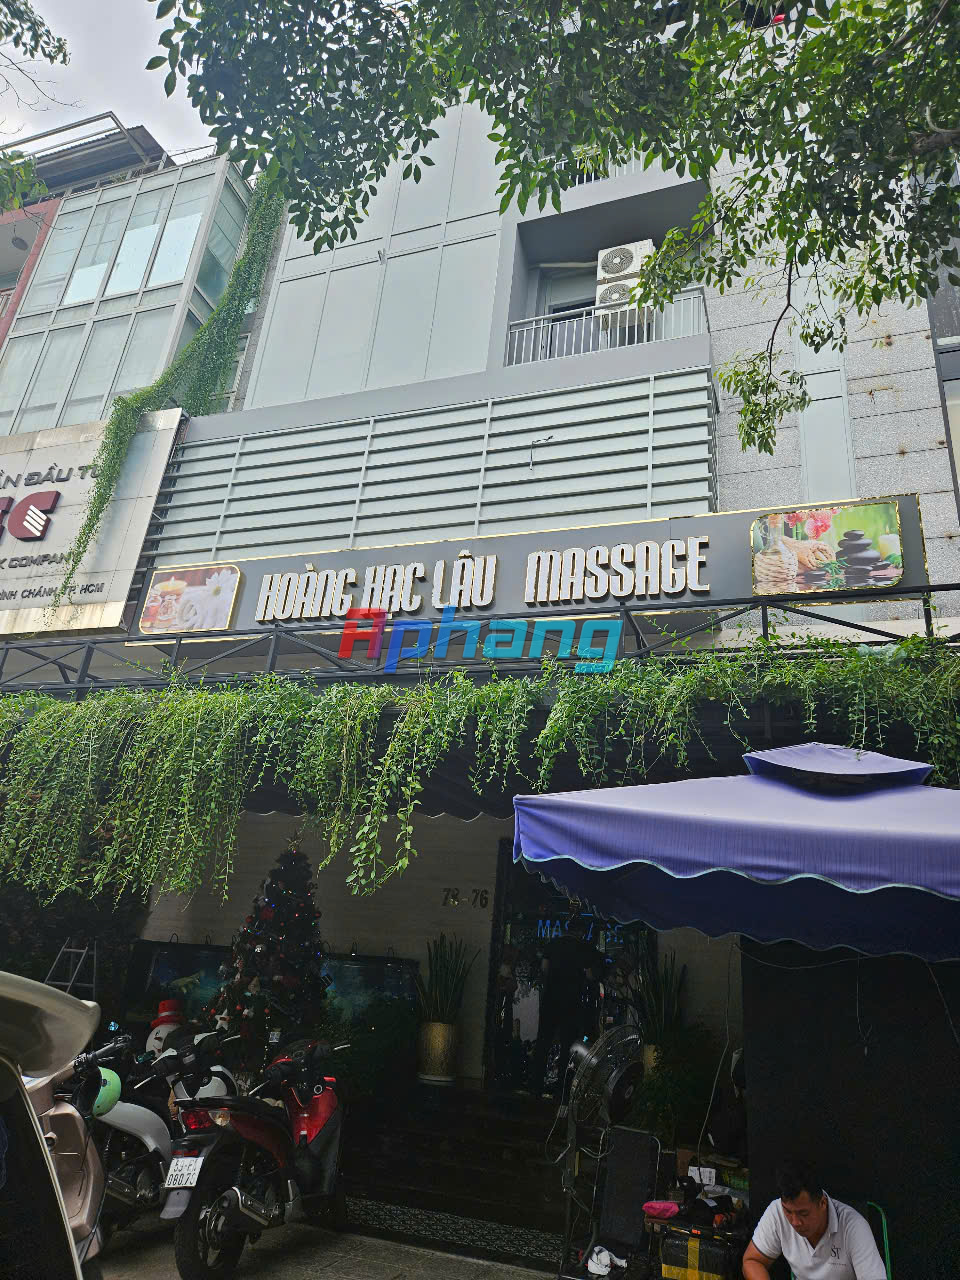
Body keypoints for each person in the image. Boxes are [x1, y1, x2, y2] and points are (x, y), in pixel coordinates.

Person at [743, 1160, 886, 1280]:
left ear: (822, 1203)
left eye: (803, 1213)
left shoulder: (854, 1227)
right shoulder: (776, 1212)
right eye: (788, 1211)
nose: (795, 1222)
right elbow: (752, 1261)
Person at [529, 915, 601, 1097]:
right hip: (571, 1002)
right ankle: (562, 1088)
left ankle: (536, 1086)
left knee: (543, 1041)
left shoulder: (553, 944)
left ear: (567, 929)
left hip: (551, 999)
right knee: (567, 1044)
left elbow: (544, 968)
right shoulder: (583, 948)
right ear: (581, 932)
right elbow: (590, 975)